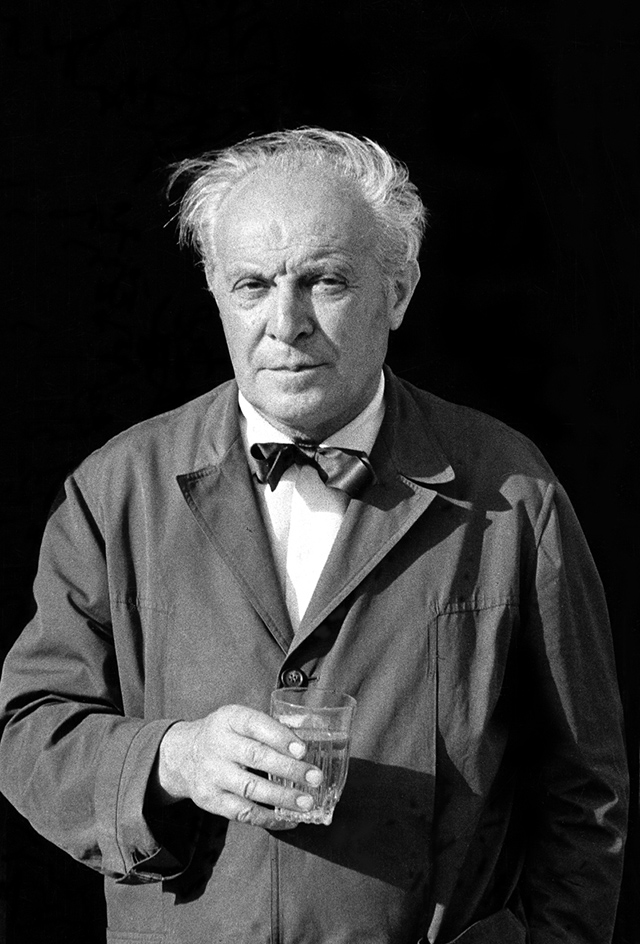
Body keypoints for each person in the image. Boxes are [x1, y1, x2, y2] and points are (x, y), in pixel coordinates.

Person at [0, 128, 629, 944]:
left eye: (324, 281)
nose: (285, 322)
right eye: (252, 285)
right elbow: (30, 731)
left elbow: (585, 790)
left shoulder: (511, 492)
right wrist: (174, 757)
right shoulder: (116, 491)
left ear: (398, 292)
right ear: (216, 294)